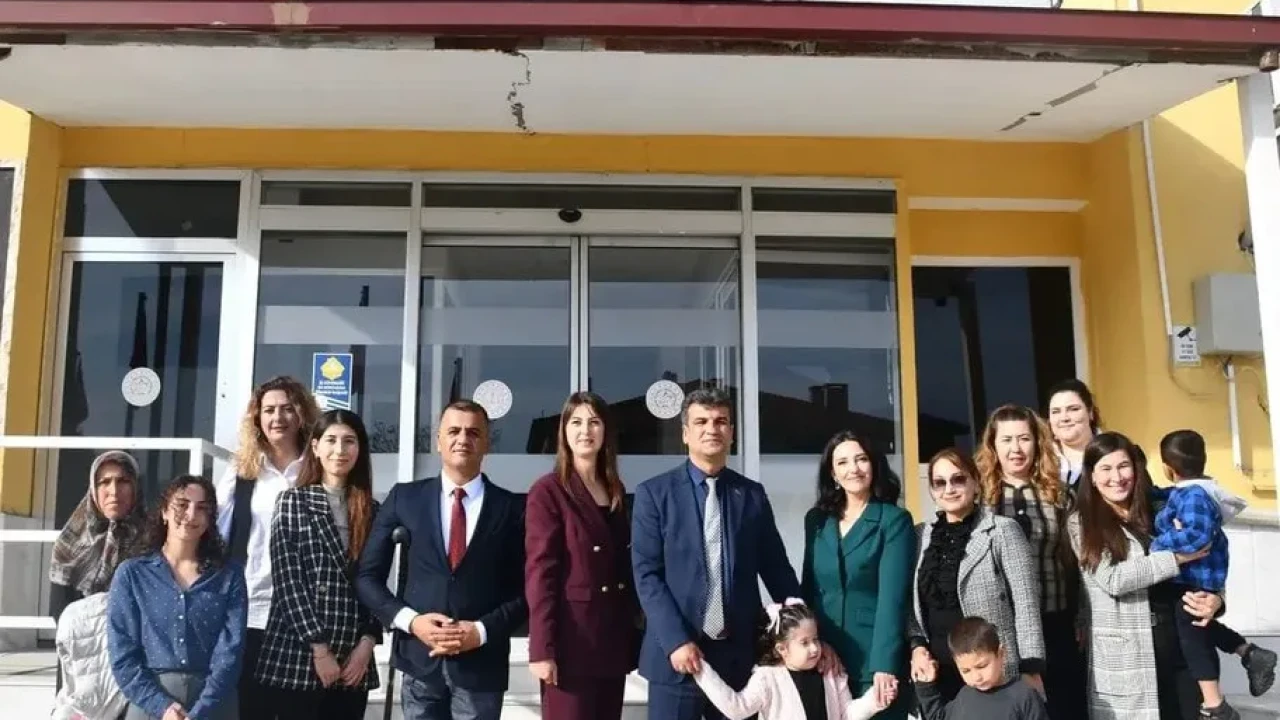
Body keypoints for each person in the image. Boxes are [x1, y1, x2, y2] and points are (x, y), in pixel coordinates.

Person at [632, 387, 810, 720]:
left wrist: (805, 631)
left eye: (720, 421)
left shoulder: (751, 495)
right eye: (701, 422)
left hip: (737, 660)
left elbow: (776, 569)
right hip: (677, 656)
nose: (711, 429)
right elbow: (647, 576)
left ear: (731, 432)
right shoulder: (654, 494)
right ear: (685, 433)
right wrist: (675, 640)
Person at [355, 400, 526, 720]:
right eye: (454, 431)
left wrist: (481, 631)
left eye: (473, 432)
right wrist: (411, 621)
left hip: (481, 667)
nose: (463, 439)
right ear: (438, 441)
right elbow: (367, 577)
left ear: (487, 443)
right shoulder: (404, 498)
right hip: (419, 661)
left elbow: (528, 590)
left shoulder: (513, 508)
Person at [1067, 431, 1229, 720]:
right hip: (1126, 659)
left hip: (1179, 648)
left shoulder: (1163, 508)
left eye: (1123, 466)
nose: (1116, 477)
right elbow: (1114, 579)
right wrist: (1177, 558)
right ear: (1091, 476)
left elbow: (1210, 551)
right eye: (1105, 468)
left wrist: (1216, 599)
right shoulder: (1083, 523)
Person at [254, 410, 382, 719]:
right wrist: (319, 648)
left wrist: (367, 643)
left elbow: (376, 583)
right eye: (331, 440)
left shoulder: (373, 510)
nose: (340, 450)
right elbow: (288, 582)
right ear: (315, 447)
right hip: (300, 652)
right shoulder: (292, 502)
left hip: (353, 657)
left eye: (349, 441)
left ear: (360, 449)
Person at [524, 392, 641, 719]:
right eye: (575, 422)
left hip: (611, 640)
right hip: (570, 644)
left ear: (605, 432)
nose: (585, 430)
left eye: (594, 422)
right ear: (563, 431)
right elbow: (541, 573)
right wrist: (542, 648)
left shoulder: (615, 489)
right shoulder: (549, 490)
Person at [214, 376, 320, 720]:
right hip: (253, 609)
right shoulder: (243, 470)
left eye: (287, 409)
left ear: (302, 414)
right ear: (257, 418)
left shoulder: (318, 467)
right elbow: (216, 535)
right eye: (269, 410)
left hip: (306, 613)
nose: (278, 417)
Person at [1150, 430, 1276, 714]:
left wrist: (1158, 543)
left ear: (1168, 468)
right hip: (1194, 577)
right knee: (1197, 626)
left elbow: (1198, 535)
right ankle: (1249, 653)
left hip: (1196, 575)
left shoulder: (1194, 496)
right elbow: (1169, 495)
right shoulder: (1192, 491)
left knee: (1192, 638)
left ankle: (1215, 704)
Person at [908, 449, 1044, 707]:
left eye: (958, 479)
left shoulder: (1002, 530)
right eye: (940, 483)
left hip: (993, 673)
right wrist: (917, 646)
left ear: (975, 482)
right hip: (939, 673)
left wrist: (1031, 667)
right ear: (932, 490)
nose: (949, 489)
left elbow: (1026, 602)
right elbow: (912, 603)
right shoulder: (920, 536)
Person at [107, 475, 248, 720]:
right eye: (182, 505)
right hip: (150, 702)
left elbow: (231, 651)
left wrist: (202, 710)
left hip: (215, 703)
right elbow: (122, 655)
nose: (191, 515)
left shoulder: (229, 575)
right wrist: (162, 707)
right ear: (164, 511)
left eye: (202, 508)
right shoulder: (132, 574)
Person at [975, 404, 1083, 720]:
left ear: (1037, 442)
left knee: (1063, 709)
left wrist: (1082, 615)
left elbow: (1078, 561)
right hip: (1000, 628)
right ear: (993, 445)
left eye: (1024, 439)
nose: (1016, 449)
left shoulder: (1060, 494)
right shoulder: (981, 496)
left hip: (1056, 622)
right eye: (1007, 440)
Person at [801, 430, 913, 718]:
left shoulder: (894, 521)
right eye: (842, 462)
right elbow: (809, 589)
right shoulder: (816, 521)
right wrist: (813, 644)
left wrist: (884, 665)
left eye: (861, 459)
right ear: (833, 474)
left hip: (871, 660)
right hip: (822, 658)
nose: (853, 469)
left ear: (874, 465)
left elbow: (893, 599)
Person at [49, 450, 148, 701]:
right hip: (83, 659)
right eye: (104, 482)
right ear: (94, 489)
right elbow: (59, 610)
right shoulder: (70, 542)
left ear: (136, 487)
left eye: (123, 481)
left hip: (135, 659)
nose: (113, 491)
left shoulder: (153, 541)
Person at [693, 599, 886, 720]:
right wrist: (699, 668)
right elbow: (737, 708)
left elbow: (847, 714)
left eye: (816, 639)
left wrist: (874, 700)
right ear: (782, 649)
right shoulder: (767, 678)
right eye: (804, 642)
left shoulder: (830, 672)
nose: (814, 648)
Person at [915, 617, 1050, 720]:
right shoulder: (965, 696)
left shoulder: (1024, 696)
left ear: (1001, 654)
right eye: (966, 671)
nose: (976, 677)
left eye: (982, 666)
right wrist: (925, 686)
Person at [1045, 379, 1101, 488]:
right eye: (1056, 411)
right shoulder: (1039, 460)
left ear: (1090, 412)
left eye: (1073, 409)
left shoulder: (1114, 453)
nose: (1064, 418)